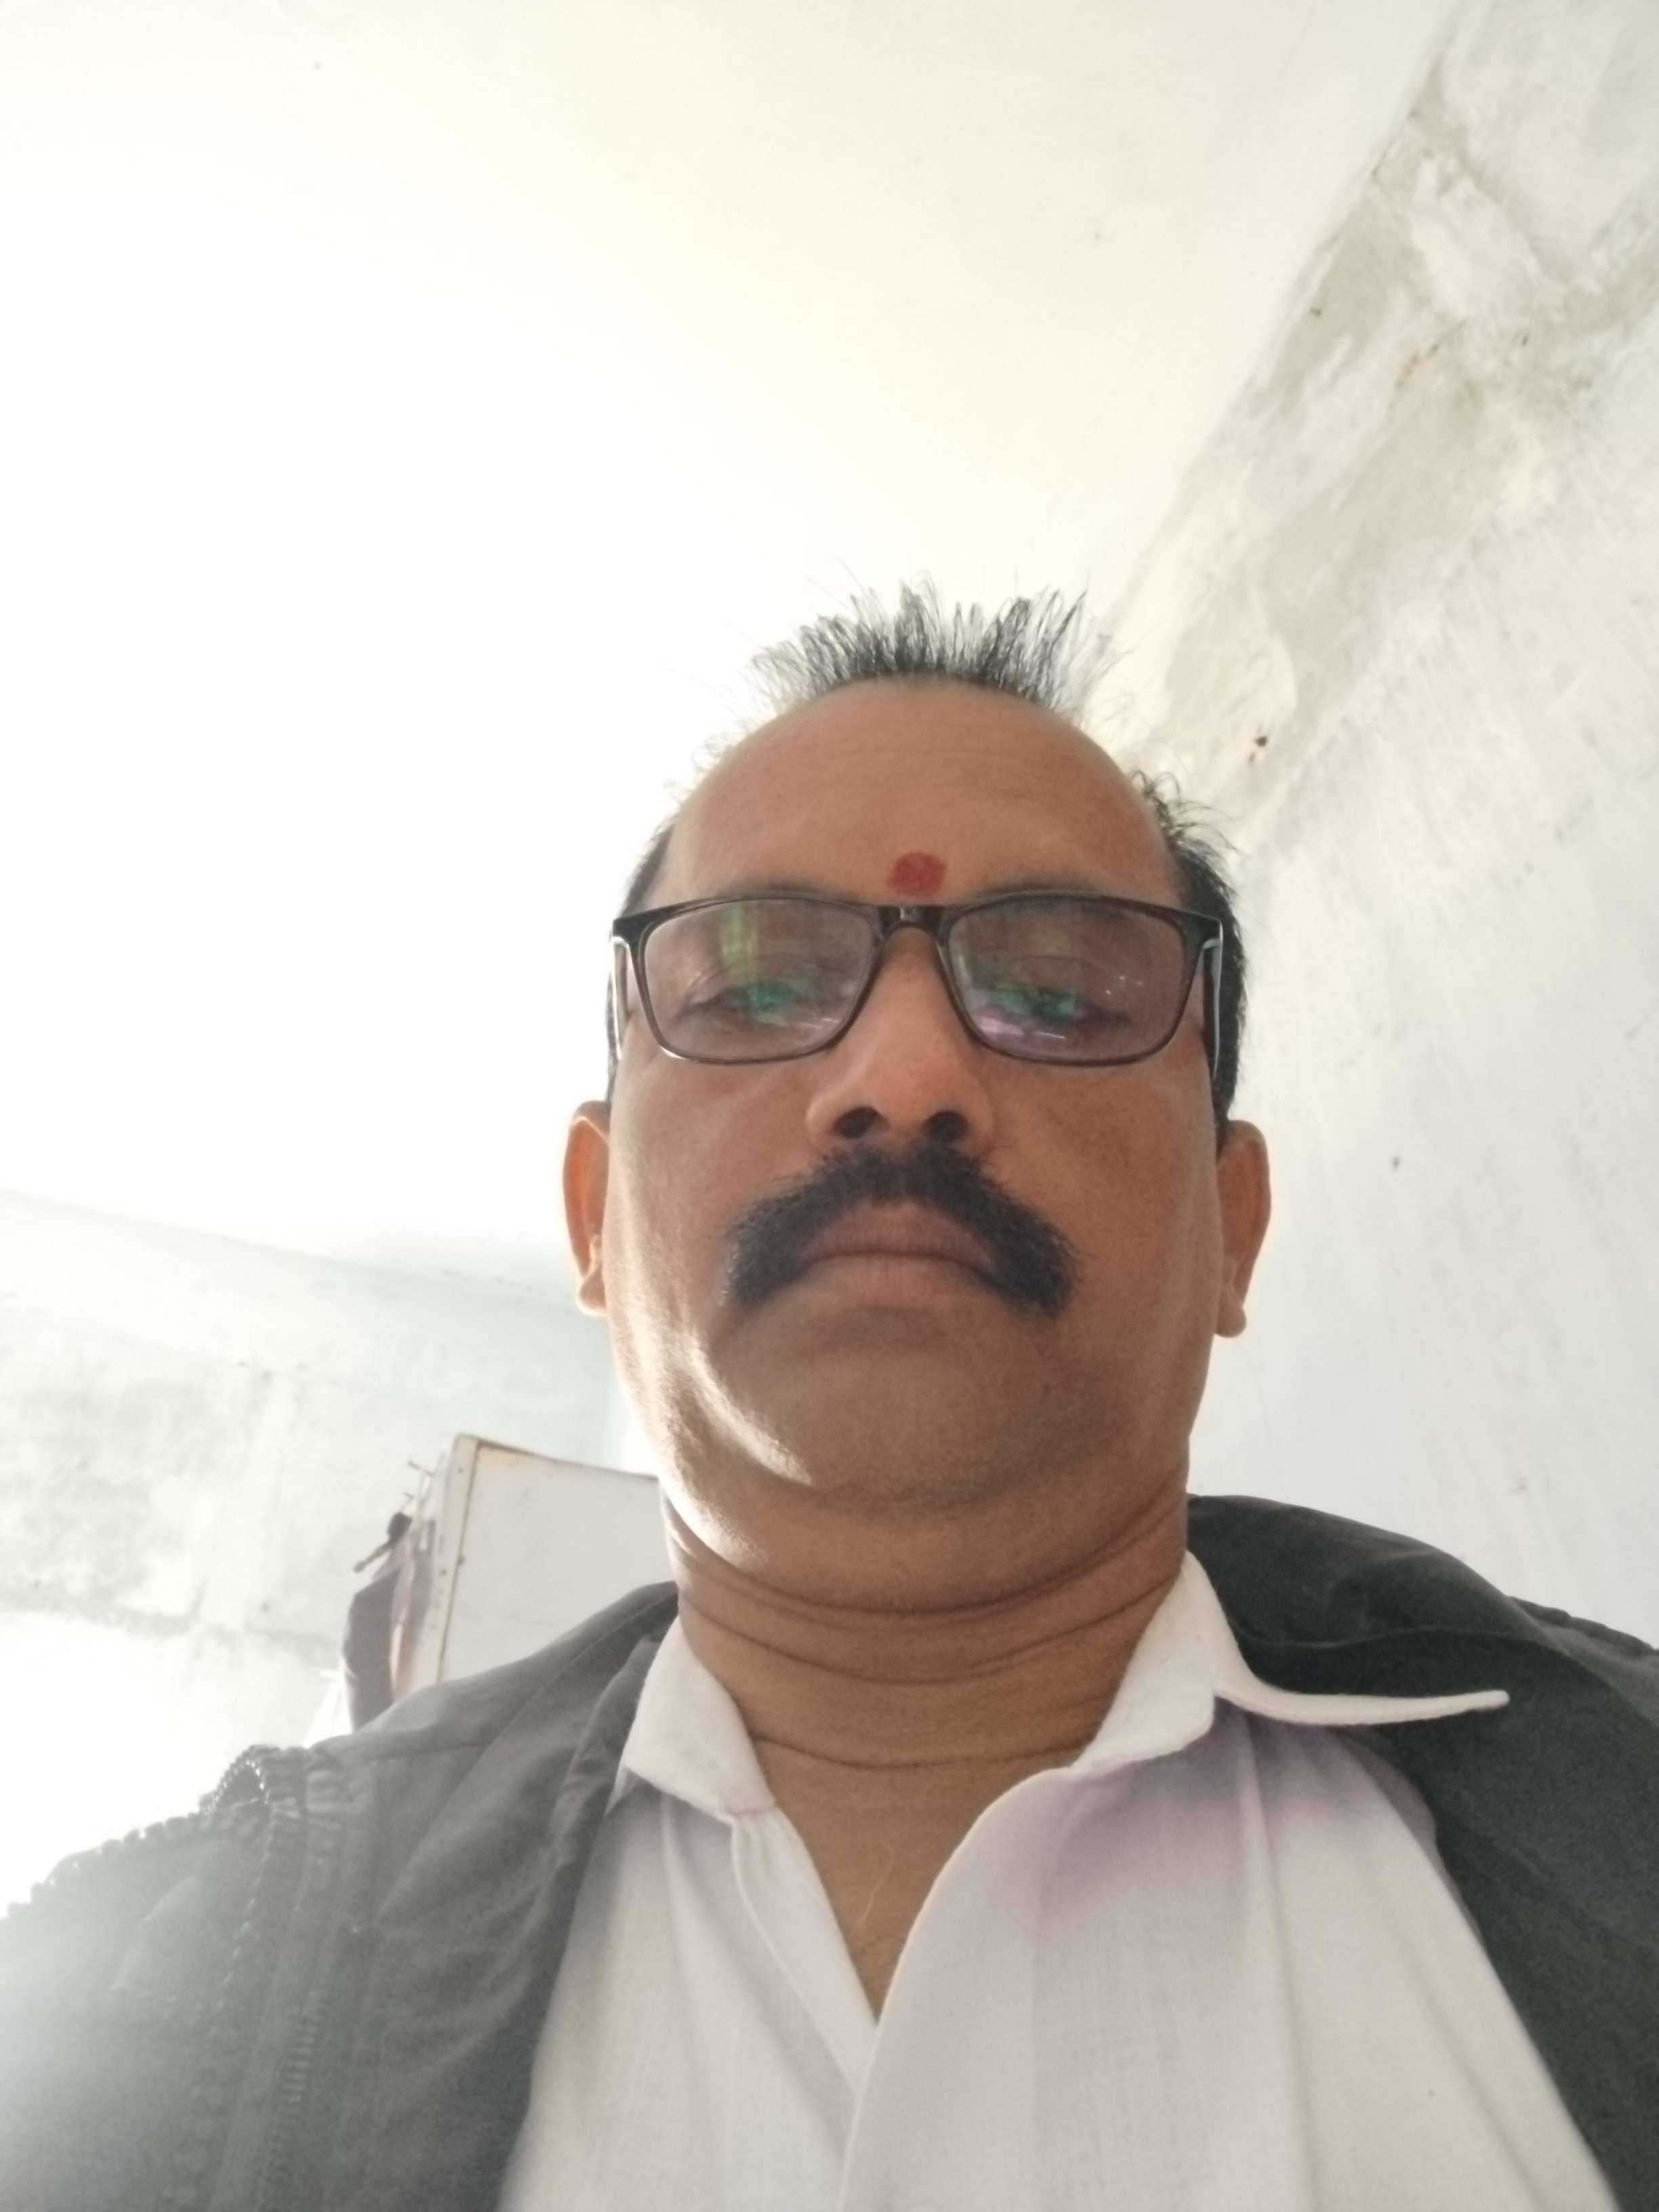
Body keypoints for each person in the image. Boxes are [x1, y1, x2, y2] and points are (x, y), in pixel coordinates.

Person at [2, 583, 1654, 2211]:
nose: (907, 1079)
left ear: (1236, 1225)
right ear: (592, 1221)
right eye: (753, 985)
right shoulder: (135, 2008)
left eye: (1060, 992)